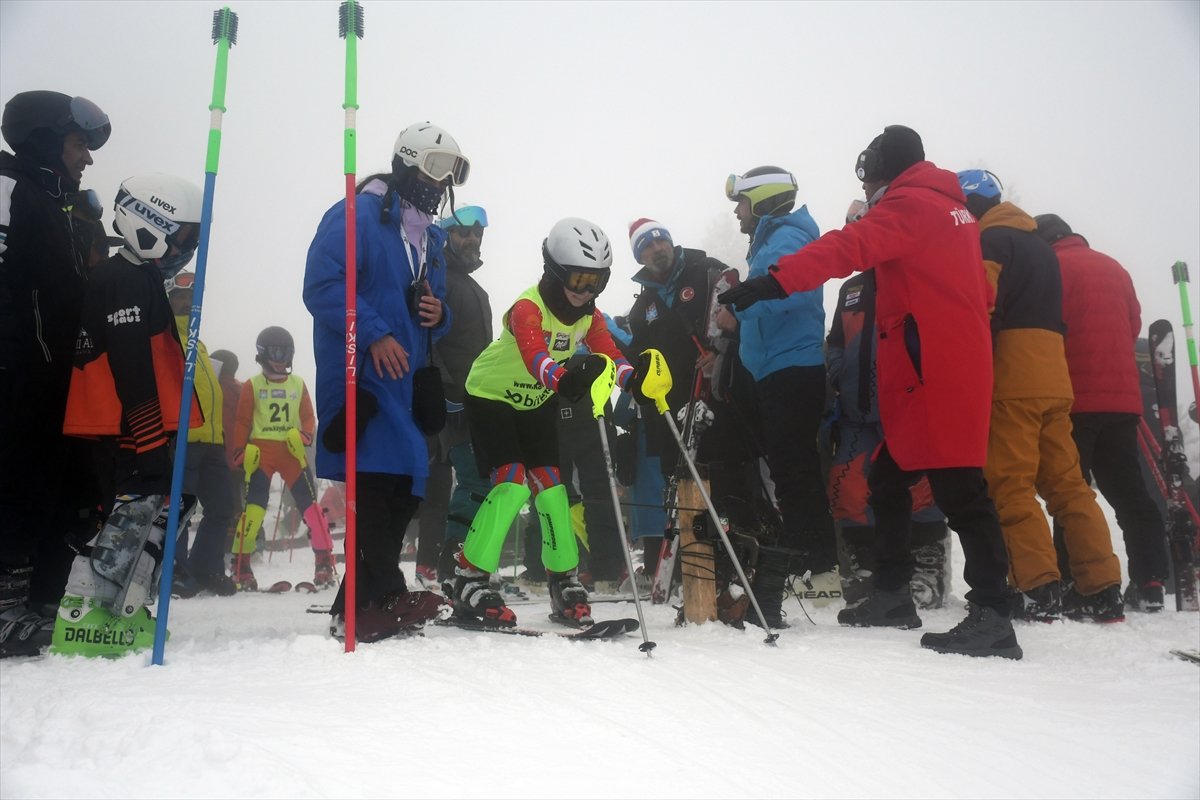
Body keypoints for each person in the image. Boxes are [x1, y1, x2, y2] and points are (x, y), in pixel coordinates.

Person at [720, 125, 1021, 659]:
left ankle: (993, 613)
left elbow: (849, 246)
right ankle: (891, 594)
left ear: (881, 169)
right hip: (941, 361)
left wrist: (775, 280)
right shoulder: (952, 211)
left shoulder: (912, 204)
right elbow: (983, 288)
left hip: (935, 366)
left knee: (961, 491)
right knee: (888, 476)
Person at [447, 216, 656, 628]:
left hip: (535, 400)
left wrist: (636, 382)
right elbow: (535, 355)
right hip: (491, 395)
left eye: (597, 281)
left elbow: (610, 352)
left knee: (552, 488)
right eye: (579, 280)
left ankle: (564, 578)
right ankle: (468, 577)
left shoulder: (588, 315)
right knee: (510, 483)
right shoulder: (528, 307)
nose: (587, 292)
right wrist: (564, 379)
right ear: (555, 271)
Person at [304, 121, 463, 643]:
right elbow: (324, 284)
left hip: (406, 377)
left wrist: (438, 313)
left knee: (406, 483)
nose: (439, 184)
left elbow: (434, 310)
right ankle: (377, 595)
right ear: (406, 162)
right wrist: (372, 333)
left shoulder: (430, 237)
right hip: (361, 372)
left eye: (450, 175)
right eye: (433, 170)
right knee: (377, 480)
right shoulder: (358, 216)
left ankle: (361, 599)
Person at [956, 170, 1124, 623]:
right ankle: (1102, 588)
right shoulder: (1039, 247)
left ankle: (1036, 589)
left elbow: (980, 306)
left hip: (1014, 376)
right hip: (1055, 376)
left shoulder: (990, 241)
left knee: (1010, 485)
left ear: (972, 206)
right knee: (1069, 487)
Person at [50, 173, 203, 657]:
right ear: (150, 223)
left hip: (132, 424)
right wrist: (150, 438)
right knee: (127, 516)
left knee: (149, 513)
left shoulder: (139, 278)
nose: (186, 248)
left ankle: (121, 607)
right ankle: (85, 609)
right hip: (123, 425)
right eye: (182, 236)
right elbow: (130, 364)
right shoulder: (123, 280)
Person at [1, 90, 111, 657]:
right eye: (77, 144)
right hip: (19, 375)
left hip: (56, 379)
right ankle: (4, 608)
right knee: (16, 485)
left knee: (63, 489)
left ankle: (39, 600)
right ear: (46, 141)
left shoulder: (61, 204)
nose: (87, 157)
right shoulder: (12, 193)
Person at [718, 168, 840, 625]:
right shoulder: (773, 240)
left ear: (764, 201)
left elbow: (791, 289)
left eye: (742, 203)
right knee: (789, 468)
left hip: (793, 366)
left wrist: (738, 306)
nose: (737, 212)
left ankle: (820, 568)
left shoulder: (787, 238)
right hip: (776, 367)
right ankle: (811, 561)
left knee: (795, 469)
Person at [623, 219, 768, 597]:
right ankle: (698, 572)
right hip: (672, 413)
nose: (656, 250)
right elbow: (638, 355)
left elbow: (741, 317)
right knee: (684, 490)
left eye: (660, 241)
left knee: (729, 481)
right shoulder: (643, 306)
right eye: (646, 247)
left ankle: (746, 568)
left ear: (670, 242)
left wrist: (722, 351)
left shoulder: (707, 273)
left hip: (718, 397)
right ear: (639, 256)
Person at [1036, 213, 1170, 612]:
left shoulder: (1051, 268)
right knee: (1130, 493)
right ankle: (1150, 581)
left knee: (1070, 492)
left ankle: (1076, 582)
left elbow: (1046, 330)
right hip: (1123, 401)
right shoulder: (1115, 268)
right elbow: (1132, 326)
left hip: (1075, 399)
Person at [824, 201, 951, 611]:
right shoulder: (851, 289)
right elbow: (836, 341)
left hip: (906, 408)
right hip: (857, 411)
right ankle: (864, 569)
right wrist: (838, 371)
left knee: (920, 491)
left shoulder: (915, 276)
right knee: (848, 489)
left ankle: (925, 568)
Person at [415, 205, 493, 587]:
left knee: (469, 481)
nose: (472, 239)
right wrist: (446, 394)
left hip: (477, 400)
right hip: (450, 401)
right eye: (463, 232)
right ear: (446, 234)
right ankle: (451, 564)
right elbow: (430, 339)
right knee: (474, 481)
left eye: (477, 233)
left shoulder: (474, 288)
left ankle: (449, 562)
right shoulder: (438, 277)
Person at [229, 326, 335, 591]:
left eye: (286, 353)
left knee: (311, 511)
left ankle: (323, 564)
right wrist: (239, 450)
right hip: (261, 453)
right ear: (263, 354)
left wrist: (304, 436)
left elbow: (309, 417)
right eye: (276, 352)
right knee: (253, 511)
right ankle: (241, 567)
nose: (281, 359)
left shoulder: (297, 383)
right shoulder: (253, 385)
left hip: (291, 451)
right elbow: (242, 421)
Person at [165, 273, 237, 597]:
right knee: (180, 508)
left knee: (222, 506)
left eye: (192, 296)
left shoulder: (199, 341)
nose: (188, 303)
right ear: (169, 301)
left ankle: (205, 568)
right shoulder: (166, 338)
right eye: (181, 297)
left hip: (211, 441)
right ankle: (176, 570)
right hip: (183, 438)